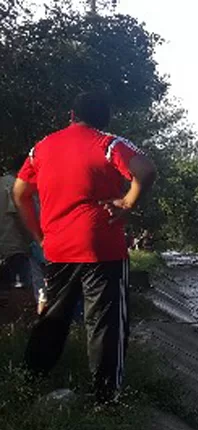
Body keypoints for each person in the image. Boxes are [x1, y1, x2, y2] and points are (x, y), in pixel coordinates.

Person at [13, 91, 158, 404]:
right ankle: (106, 400)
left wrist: (40, 237)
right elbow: (146, 171)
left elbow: (20, 193)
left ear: (71, 115)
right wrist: (128, 203)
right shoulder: (108, 144)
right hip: (101, 246)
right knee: (105, 323)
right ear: (105, 120)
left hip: (57, 247)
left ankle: (28, 382)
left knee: (53, 317)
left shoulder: (41, 148)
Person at [1, 156, 33, 290]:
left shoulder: (6, 184)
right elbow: (20, 216)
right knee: (22, 293)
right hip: (16, 248)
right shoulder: (14, 185)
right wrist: (32, 239)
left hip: (5, 248)